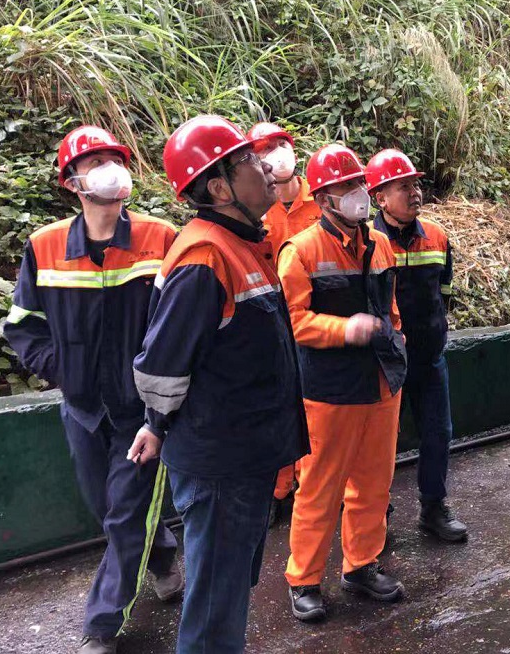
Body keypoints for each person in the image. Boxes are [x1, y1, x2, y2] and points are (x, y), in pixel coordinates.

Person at [128, 115, 309, 653]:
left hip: (244, 454)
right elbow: (162, 362)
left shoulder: (242, 242)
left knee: (227, 589)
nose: (267, 168)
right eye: (249, 160)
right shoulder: (205, 257)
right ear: (219, 188)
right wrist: (156, 423)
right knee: (214, 602)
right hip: (221, 463)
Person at [4, 125, 181, 654]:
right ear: (72, 183)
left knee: (124, 513)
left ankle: (102, 625)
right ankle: (163, 555)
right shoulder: (46, 246)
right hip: (81, 408)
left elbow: (179, 321)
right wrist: (63, 371)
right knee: (106, 506)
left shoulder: (160, 238)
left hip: (141, 411)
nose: (110, 170)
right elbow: (23, 325)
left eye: (115, 159)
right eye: (95, 162)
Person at [279, 144, 407, 623]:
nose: (357, 194)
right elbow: (293, 322)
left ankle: (361, 565)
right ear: (322, 198)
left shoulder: (379, 243)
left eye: (358, 184)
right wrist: (344, 329)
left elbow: (390, 307)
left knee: (374, 484)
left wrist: (398, 341)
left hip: (381, 382)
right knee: (319, 487)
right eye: (344, 187)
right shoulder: (301, 251)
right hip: (329, 390)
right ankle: (304, 580)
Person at [365, 148, 468, 541]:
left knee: (438, 432)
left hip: (428, 358)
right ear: (380, 197)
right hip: (384, 362)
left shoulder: (437, 236)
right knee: (378, 446)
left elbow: (445, 291)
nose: (415, 193)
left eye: (415, 185)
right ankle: (374, 517)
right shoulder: (367, 241)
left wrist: (435, 331)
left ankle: (433, 508)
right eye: (403, 187)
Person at [247, 122, 322, 523]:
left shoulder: (323, 198)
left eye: (280, 144)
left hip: (321, 319)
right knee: (279, 406)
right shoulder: (256, 211)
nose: (275, 154)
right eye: (264, 150)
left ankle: (322, 486)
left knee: (321, 410)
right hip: (276, 324)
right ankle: (279, 490)